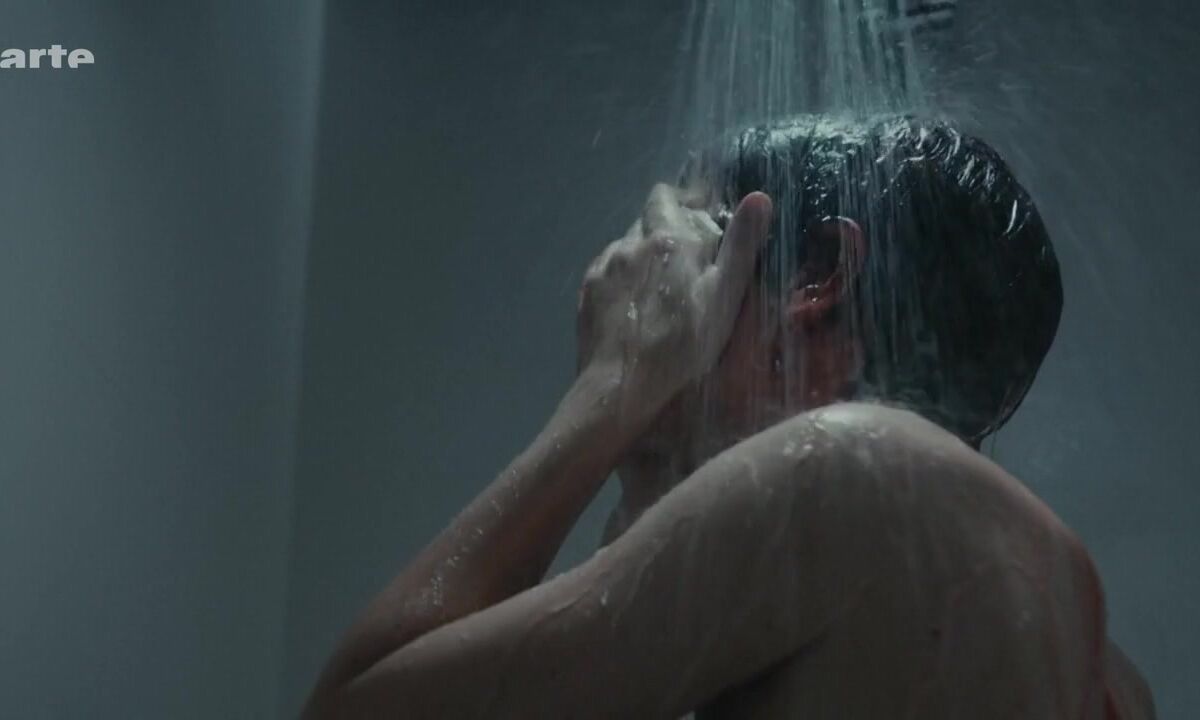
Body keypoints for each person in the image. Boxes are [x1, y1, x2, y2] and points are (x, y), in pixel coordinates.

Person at [301, 115, 1155, 719]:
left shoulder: (855, 472)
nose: (637, 290)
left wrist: (612, 390)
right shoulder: (1101, 670)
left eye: (685, 253)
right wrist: (649, 474)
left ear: (820, 273)